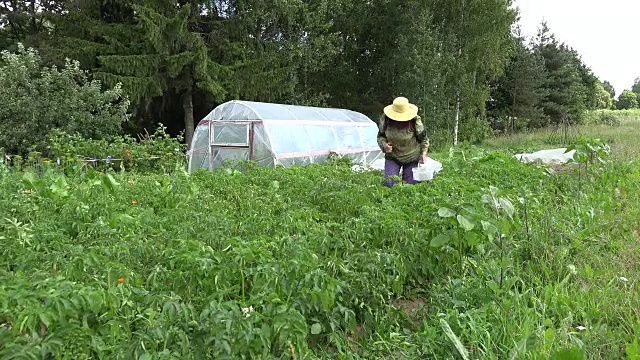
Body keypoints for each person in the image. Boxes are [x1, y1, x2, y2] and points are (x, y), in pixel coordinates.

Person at [377, 97, 430, 187]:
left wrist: (423, 153)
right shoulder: (385, 119)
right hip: (392, 157)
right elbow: (380, 136)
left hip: (411, 157)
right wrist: (384, 145)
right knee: (390, 184)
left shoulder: (415, 121)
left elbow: (424, 139)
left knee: (410, 187)